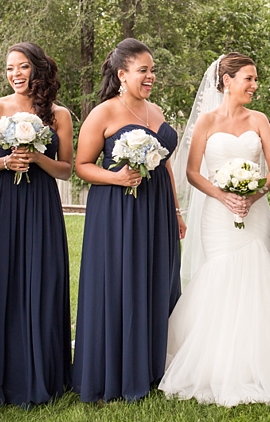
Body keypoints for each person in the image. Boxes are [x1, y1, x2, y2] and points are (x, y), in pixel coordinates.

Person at [159, 54, 270, 406]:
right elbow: (193, 172)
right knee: (222, 275)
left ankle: (257, 363)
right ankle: (214, 363)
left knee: (256, 274)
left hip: (255, 210)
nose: (254, 85)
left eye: (256, 79)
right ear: (227, 80)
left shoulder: (259, 120)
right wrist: (224, 195)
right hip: (217, 212)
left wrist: (254, 194)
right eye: (248, 78)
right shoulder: (206, 122)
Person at [71, 38, 185, 402]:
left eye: (152, 70)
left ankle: (151, 367)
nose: (150, 76)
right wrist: (118, 177)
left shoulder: (157, 111)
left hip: (157, 209)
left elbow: (165, 164)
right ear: (122, 74)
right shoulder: (103, 113)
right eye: (143, 71)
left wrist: (177, 209)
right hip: (117, 210)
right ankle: (116, 371)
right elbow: (82, 166)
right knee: (120, 282)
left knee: (155, 279)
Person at [0, 42, 73, 406]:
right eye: (10, 68)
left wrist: (36, 157)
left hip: (41, 205)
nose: (16, 74)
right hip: (1, 203)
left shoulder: (59, 114)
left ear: (38, 70)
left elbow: (66, 169)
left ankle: (38, 373)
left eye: (23, 67)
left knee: (40, 281)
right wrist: (5, 163)